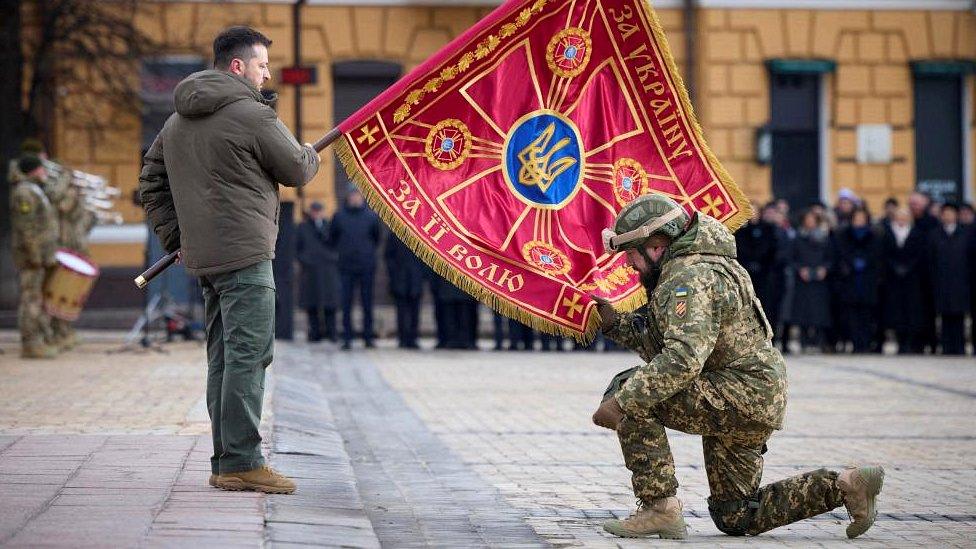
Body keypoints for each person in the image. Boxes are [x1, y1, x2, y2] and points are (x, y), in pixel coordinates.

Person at [590, 195, 884, 540]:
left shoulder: (688, 277)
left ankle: (659, 507)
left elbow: (682, 358)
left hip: (739, 393)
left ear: (656, 246)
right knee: (736, 515)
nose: (629, 264)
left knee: (630, 389)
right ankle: (846, 486)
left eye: (632, 254)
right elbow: (667, 341)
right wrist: (614, 324)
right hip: (752, 394)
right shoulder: (701, 264)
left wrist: (624, 403)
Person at [139, 26, 320, 494]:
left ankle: (226, 460)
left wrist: (176, 238)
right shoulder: (251, 114)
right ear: (237, 67)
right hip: (246, 255)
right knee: (248, 355)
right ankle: (242, 461)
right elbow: (298, 168)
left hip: (205, 259)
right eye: (262, 65)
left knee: (222, 358)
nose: (267, 74)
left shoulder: (177, 119)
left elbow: (151, 182)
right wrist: (309, 155)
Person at [10, 155, 60, 359]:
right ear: (34, 170)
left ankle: (38, 339)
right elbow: (26, 228)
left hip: (41, 255)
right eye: (41, 168)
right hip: (32, 258)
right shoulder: (24, 192)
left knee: (37, 298)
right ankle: (30, 343)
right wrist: (35, 255)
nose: (44, 171)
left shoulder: (35, 189)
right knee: (30, 299)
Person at [330, 188, 382, 349]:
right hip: (346, 266)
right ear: (348, 197)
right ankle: (347, 338)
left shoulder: (371, 217)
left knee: (367, 303)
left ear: (362, 197)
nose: (355, 198)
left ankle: (368, 337)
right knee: (346, 303)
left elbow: (376, 238)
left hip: (366, 266)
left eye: (358, 195)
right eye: (352, 195)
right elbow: (333, 237)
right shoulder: (339, 217)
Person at [832, 208, 881, 353]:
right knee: (851, 314)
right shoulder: (844, 235)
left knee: (867, 314)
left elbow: (877, 256)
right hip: (850, 279)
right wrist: (851, 263)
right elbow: (840, 254)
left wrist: (866, 262)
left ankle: (865, 343)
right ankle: (854, 342)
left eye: (862, 217)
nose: (859, 220)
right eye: (856, 217)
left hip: (867, 279)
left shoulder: (874, 236)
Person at [880, 209, 927, 354]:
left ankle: (910, 343)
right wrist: (895, 267)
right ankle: (900, 341)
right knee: (896, 312)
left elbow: (919, 255)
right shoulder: (888, 234)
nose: (901, 220)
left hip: (911, 279)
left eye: (904, 217)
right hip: (893, 279)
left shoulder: (916, 234)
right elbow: (885, 254)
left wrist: (908, 268)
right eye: (899, 217)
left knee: (911, 312)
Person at [928, 204, 972, 355]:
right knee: (944, 315)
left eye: (951, 213)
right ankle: (946, 346)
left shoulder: (966, 234)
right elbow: (930, 260)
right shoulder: (935, 235)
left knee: (959, 315)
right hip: (942, 281)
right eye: (945, 214)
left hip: (961, 281)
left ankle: (959, 346)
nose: (948, 216)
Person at [296, 202, 340, 343]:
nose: (316, 214)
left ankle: (331, 332)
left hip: (328, 270)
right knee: (312, 303)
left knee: (330, 304)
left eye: (319, 211)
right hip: (311, 271)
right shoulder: (303, 227)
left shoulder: (329, 226)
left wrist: (333, 258)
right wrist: (306, 260)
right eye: (314, 211)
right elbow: (297, 248)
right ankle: (314, 333)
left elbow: (336, 244)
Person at [790, 209, 832, 352]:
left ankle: (818, 341)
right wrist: (800, 269)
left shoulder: (824, 238)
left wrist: (825, 268)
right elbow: (792, 258)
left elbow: (830, 258)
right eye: (807, 219)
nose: (810, 222)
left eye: (812, 219)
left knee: (819, 313)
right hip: (803, 280)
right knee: (803, 313)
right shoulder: (798, 238)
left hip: (820, 281)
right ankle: (804, 341)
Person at [384, 234, 425, 349]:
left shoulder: (421, 233)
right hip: (400, 278)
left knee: (415, 311)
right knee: (401, 311)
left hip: (416, 278)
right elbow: (388, 256)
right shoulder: (395, 234)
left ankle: (413, 337)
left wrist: (422, 276)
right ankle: (402, 338)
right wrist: (393, 274)